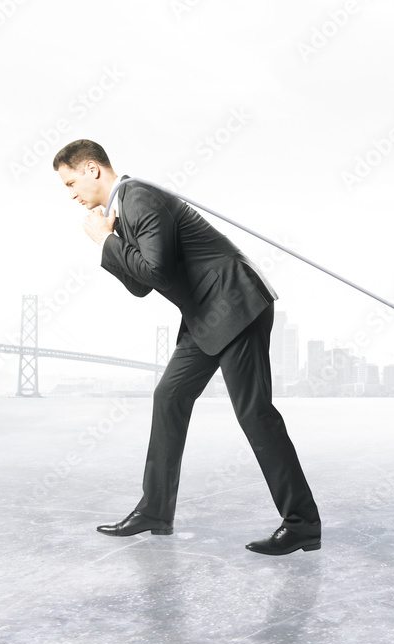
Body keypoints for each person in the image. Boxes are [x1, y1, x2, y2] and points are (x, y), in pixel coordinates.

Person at [52, 139, 321, 556]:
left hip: (234, 303)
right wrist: (108, 241)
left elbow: (155, 270)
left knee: (254, 413)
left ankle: (303, 524)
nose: (71, 194)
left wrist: (108, 242)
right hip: (205, 315)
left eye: (71, 182)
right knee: (170, 396)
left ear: (92, 169)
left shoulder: (138, 196)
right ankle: (156, 511)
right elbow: (142, 285)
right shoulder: (123, 213)